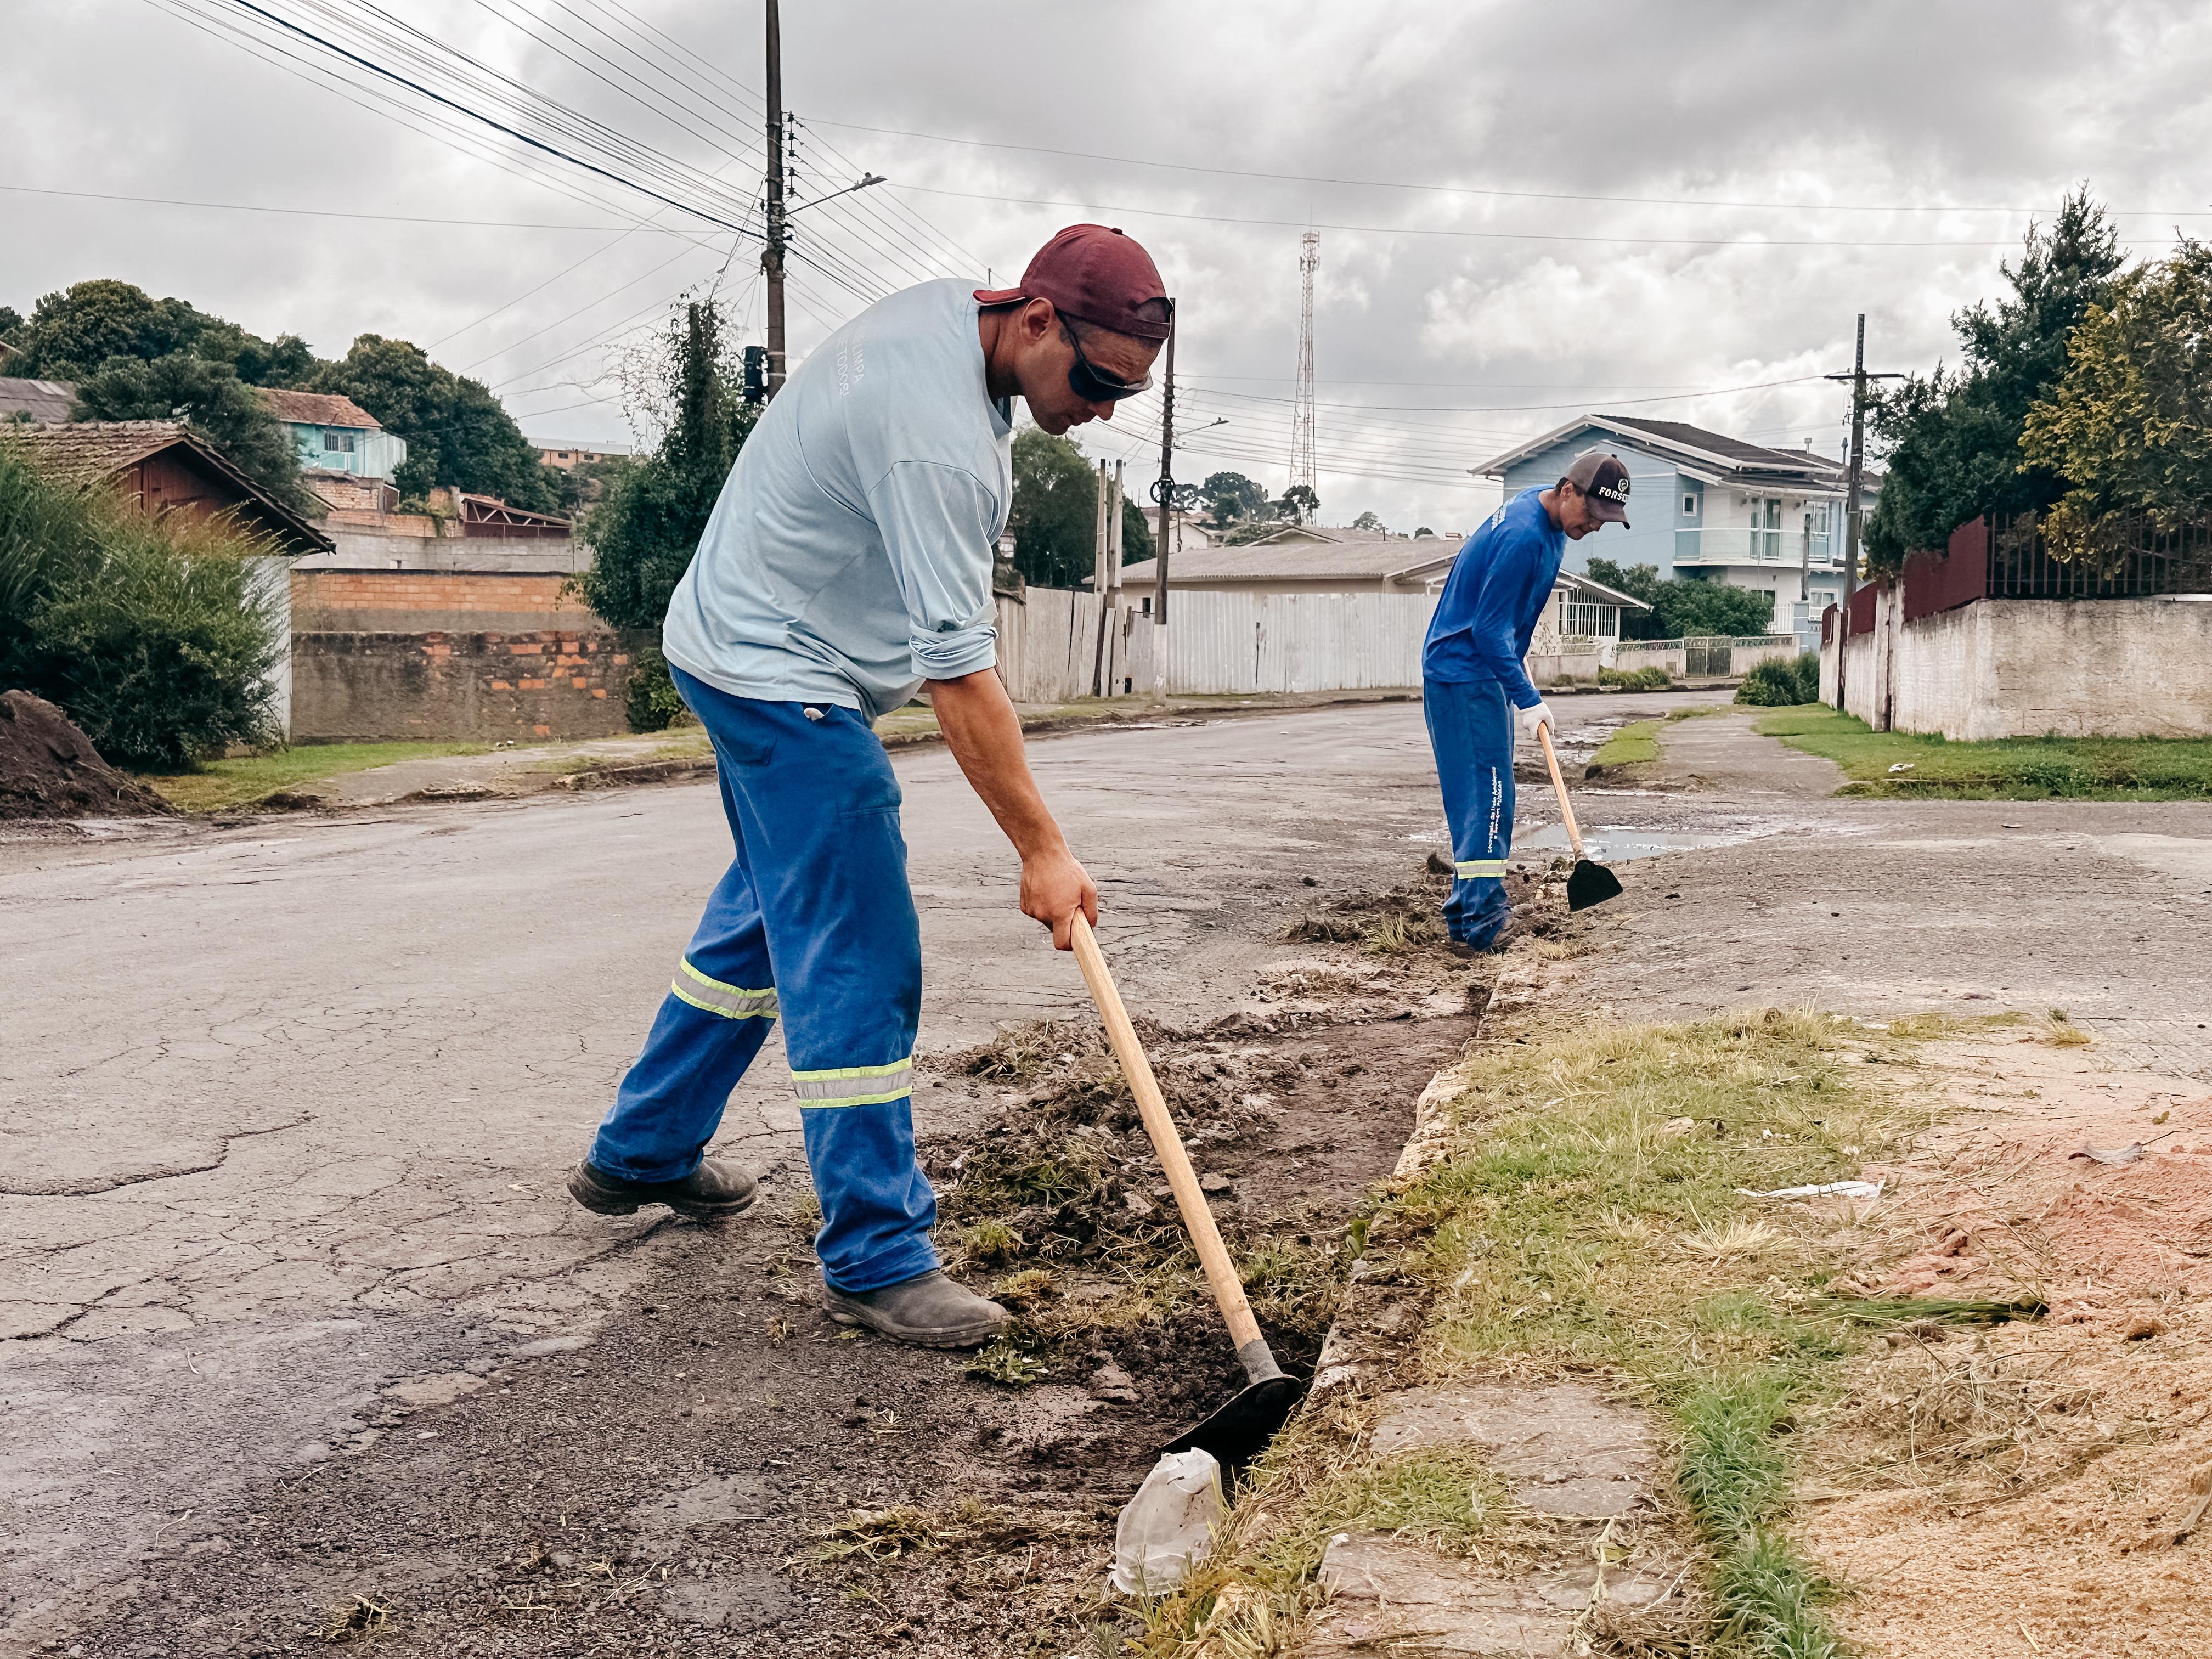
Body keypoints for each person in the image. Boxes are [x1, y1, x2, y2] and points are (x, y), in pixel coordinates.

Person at [565, 225, 1172, 1350]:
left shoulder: (955, 317)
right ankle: (876, 1256)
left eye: (1125, 395)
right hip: (778, 674)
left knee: (767, 923)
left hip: (739, 639)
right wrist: (1043, 850)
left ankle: (641, 1151)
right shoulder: (934, 441)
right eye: (1094, 382)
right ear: (1036, 319)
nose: (1101, 410)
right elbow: (963, 683)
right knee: (856, 946)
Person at [1419, 450, 1631, 951]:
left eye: (1607, 520)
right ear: (1567, 491)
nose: (1596, 527)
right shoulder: (1523, 536)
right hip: (1466, 675)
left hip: (1468, 672)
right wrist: (1527, 698)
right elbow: (1490, 630)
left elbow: (1504, 625)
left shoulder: (1545, 523)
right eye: (1593, 514)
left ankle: (1465, 916)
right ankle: (1486, 922)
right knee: (1492, 797)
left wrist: (1516, 670)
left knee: (1477, 801)